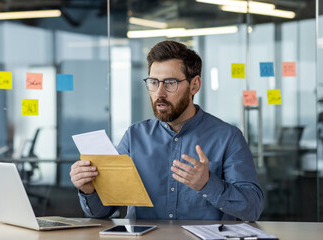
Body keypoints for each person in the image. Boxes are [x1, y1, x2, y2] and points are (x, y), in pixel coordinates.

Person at [70, 40, 264, 221]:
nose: (159, 93)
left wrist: (208, 184)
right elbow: (104, 210)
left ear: (194, 85)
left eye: (170, 83)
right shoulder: (134, 136)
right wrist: (89, 190)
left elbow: (252, 208)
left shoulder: (227, 137)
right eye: (153, 82)